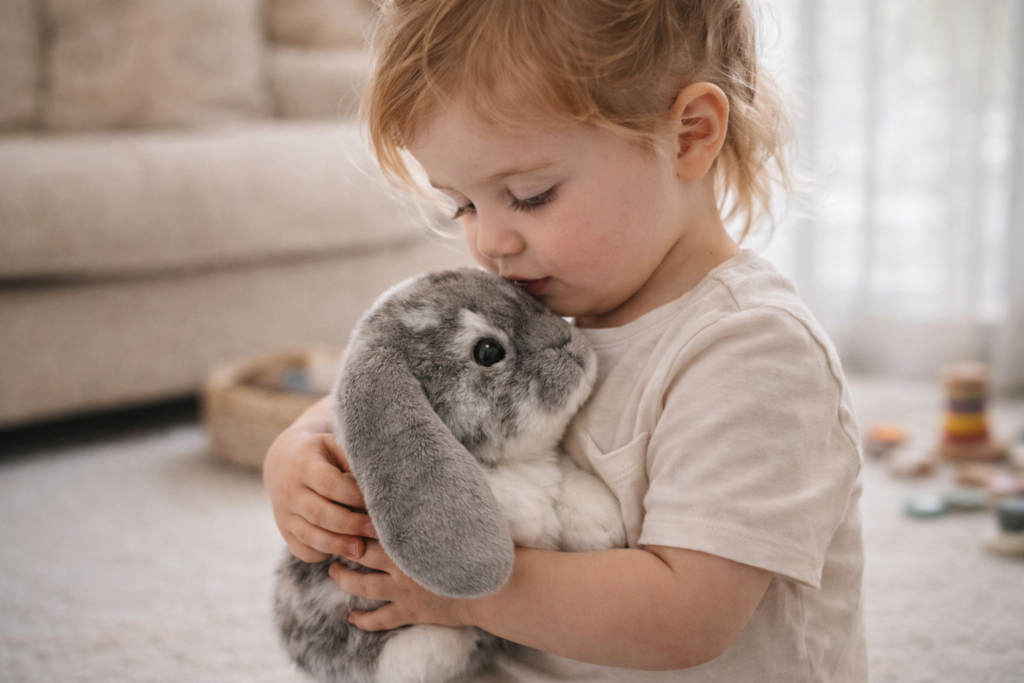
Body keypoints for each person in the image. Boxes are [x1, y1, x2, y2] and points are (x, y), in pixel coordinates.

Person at [263, 0, 867, 680]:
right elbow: (414, 383)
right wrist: (300, 449)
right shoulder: (552, 296)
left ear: (689, 135)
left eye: (529, 194)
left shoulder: (752, 351)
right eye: (461, 204)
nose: (489, 240)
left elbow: (687, 616)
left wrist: (462, 598)